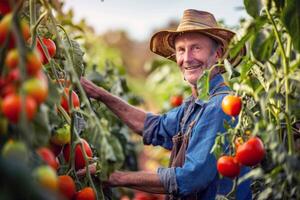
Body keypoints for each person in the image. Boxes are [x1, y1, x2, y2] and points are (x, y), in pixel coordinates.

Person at [79, 9, 251, 200]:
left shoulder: (221, 105)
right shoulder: (193, 106)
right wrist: (99, 94)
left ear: (218, 54)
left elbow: (190, 178)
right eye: (181, 50)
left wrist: (116, 177)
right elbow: (153, 126)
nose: (187, 58)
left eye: (196, 48)